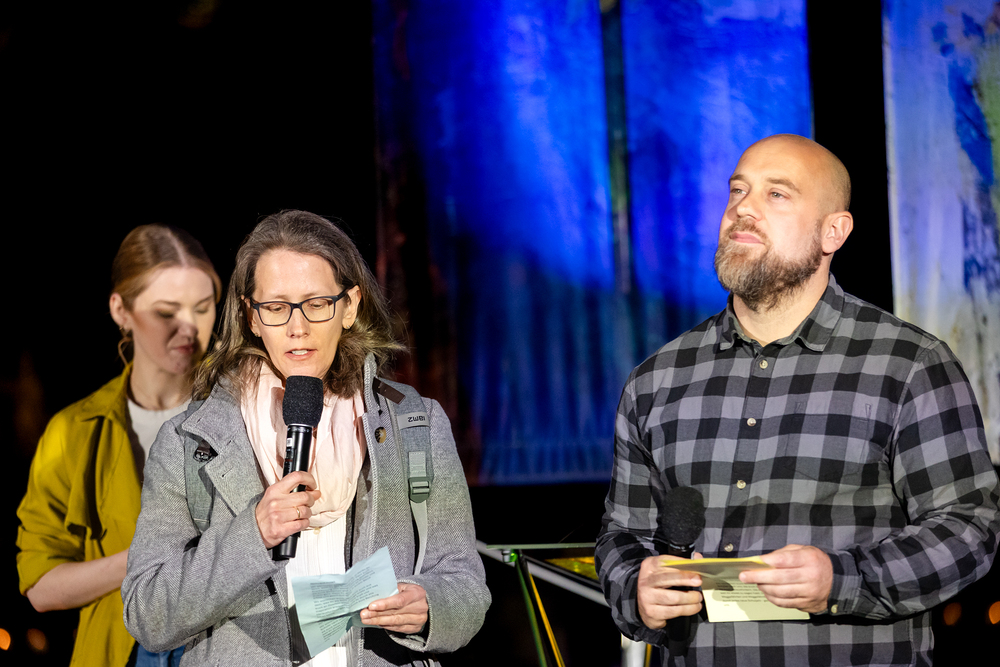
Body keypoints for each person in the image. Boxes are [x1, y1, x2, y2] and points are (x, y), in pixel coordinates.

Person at [595, 134, 1000, 666]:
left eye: (776, 194)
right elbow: (623, 534)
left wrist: (842, 579)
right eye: (737, 191)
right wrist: (635, 588)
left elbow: (969, 526)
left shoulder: (906, 365)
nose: (743, 208)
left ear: (834, 231)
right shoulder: (658, 379)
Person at [121, 210, 490, 666]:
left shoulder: (415, 425)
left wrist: (429, 605)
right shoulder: (189, 441)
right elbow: (147, 614)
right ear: (251, 316)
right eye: (277, 308)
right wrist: (252, 534)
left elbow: (467, 587)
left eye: (316, 304)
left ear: (349, 307)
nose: (298, 327)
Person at [17, 225, 222, 667]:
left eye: (203, 308)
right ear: (120, 310)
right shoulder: (76, 431)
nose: (189, 326)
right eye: (166, 311)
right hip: (122, 652)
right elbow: (40, 586)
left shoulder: (246, 410)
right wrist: (146, 558)